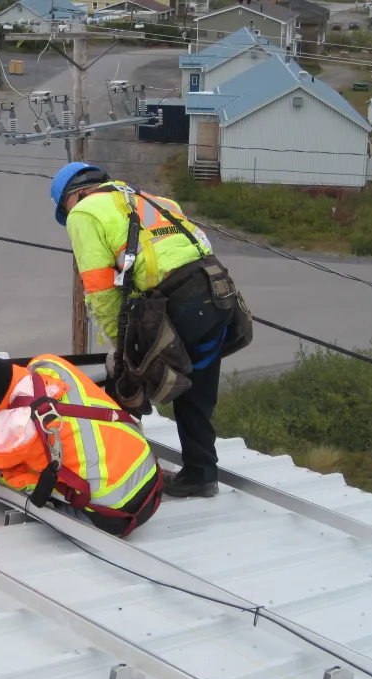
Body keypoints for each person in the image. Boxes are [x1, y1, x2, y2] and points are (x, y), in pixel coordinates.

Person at [50, 162, 237, 499]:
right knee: (196, 392)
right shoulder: (153, 200)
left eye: (65, 208)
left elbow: (101, 290)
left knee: (122, 384)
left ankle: (121, 478)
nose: (70, 215)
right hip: (219, 295)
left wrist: (121, 348)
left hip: (178, 300)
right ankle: (201, 473)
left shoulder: (84, 211)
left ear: (75, 195)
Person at [0, 352, 163, 537]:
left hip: (117, 515)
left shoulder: (12, 430)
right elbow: (7, 402)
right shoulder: (47, 365)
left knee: (9, 472)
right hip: (151, 473)